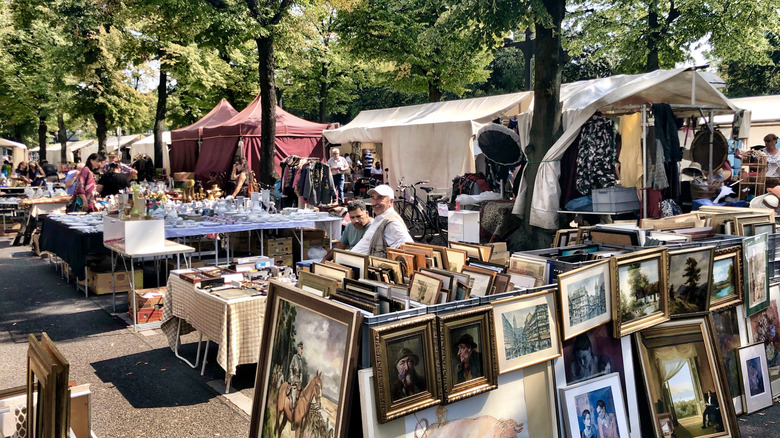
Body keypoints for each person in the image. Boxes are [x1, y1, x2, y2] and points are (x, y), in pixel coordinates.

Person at [350, 184, 413, 257]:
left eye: (379, 198)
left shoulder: (392, 222)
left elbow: (407, 249)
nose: (375, 202)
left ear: (391, 201)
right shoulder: (381, 218)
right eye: (373, 198)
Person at [287, 341, 306, 425]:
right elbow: (290, 367)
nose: (299, 350)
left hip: (298, 381)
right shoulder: (294, 357)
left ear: (302, 350)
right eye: (298, 348)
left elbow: (301, 372)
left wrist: (301, 381)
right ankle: (293, 422)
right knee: (294, 400)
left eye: (300, 349)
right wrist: (291, 378)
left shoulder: (301, 360)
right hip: (293, 380)